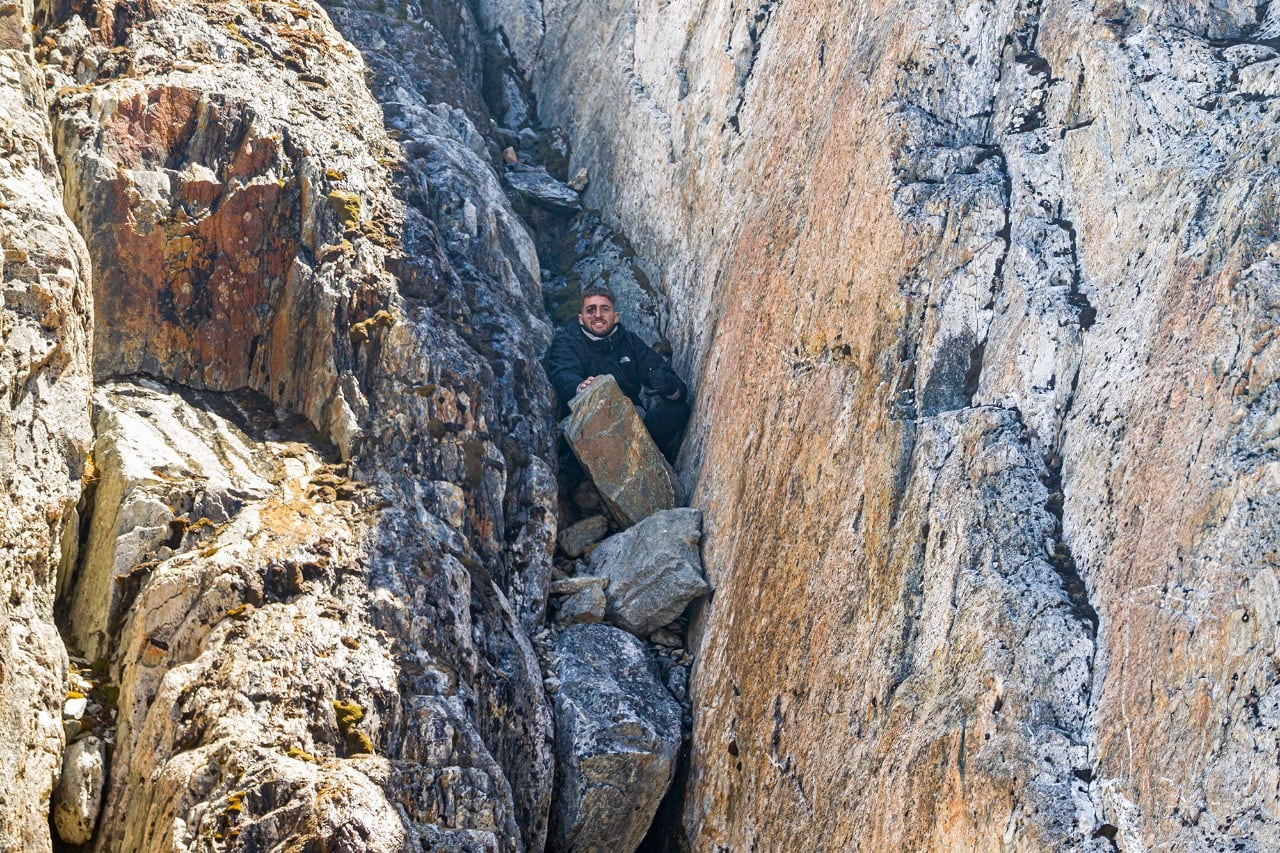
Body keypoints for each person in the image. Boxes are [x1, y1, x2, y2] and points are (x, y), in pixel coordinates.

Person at [544, 284, 690, 461]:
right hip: (590, 427)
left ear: (616, 316)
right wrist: (579, 387)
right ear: (581, 319)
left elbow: (675, 387)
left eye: (604, 309)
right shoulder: (567, 341)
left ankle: (643, 458)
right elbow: (561, 373)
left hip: (632, 421)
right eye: (591, 310)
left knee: (678, 410)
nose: (598, 315)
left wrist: (669, 386)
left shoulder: (629, 341)